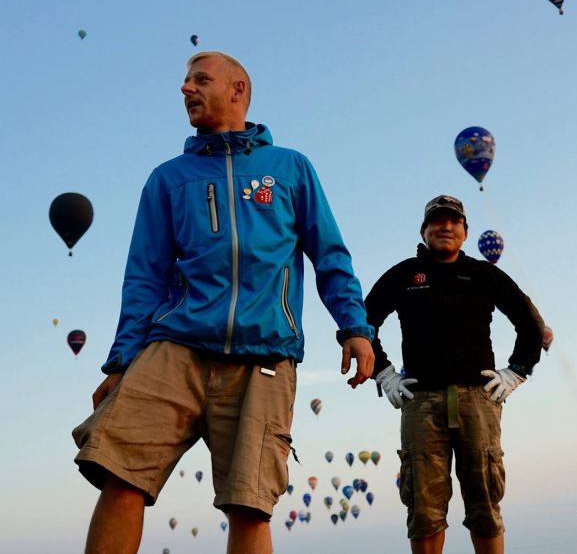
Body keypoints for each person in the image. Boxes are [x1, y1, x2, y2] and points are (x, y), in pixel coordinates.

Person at [72, 51, 375, 554]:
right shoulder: (168, 178)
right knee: (120, 476)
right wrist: (122, 361)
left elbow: (330, 255)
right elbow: (144, 277)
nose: (185, 89)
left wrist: (355, 327)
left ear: (238, 90)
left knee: (249, 504)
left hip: (263, 357)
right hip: (176, 349)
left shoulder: (291, 168)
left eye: (199, 80)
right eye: (185, 81)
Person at [365, 194, 545, 554]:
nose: (445, 227)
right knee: (424, 508)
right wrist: (384, 373)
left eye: (453, 222)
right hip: (420, 401)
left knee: (484, 503)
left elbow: (530, 323)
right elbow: (363, 321)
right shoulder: (404, 275)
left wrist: (517, 371)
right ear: (424, 230)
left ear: (465, 232)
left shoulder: (484, 274)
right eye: (437, 221)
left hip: (478, 398)